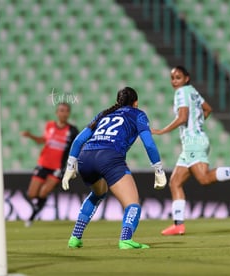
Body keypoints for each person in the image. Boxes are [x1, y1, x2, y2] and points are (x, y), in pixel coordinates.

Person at [151, 65, 230, 236]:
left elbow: (182, 118)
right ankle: (178, 225)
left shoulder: (181, 93)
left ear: (186, 78)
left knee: (203, 179)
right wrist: (198, 124)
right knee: (175, 182)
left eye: (178, 77)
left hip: (194, 142)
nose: (174, 81)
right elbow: (207, 109)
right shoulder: (192, 91)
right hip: (193, 143)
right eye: (172, 78)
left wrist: (161, 131)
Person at [61, 87, 166, 249]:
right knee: (132, 204)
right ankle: (125, 239)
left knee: (98, 193)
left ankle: (75, 237)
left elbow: (78, 140)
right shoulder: (138, 114)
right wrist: (158, 170)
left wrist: (70, 167)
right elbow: (149, 144)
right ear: (135, 103)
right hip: (109, 158)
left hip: (85, 158)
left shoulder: (104, 113)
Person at [20, 102, 79, 227]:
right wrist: (30, 136)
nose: (63, 113)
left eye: (65, 111)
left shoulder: (72, 131)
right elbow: (43, 140)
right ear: (57, 113)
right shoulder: (50, 126)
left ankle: (31, 218)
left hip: (58, 167)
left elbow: (77, 147)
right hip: (43, 163)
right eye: (61, 110)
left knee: (43, 192)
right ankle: (41, 204)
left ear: (68, 113)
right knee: (32, 194)